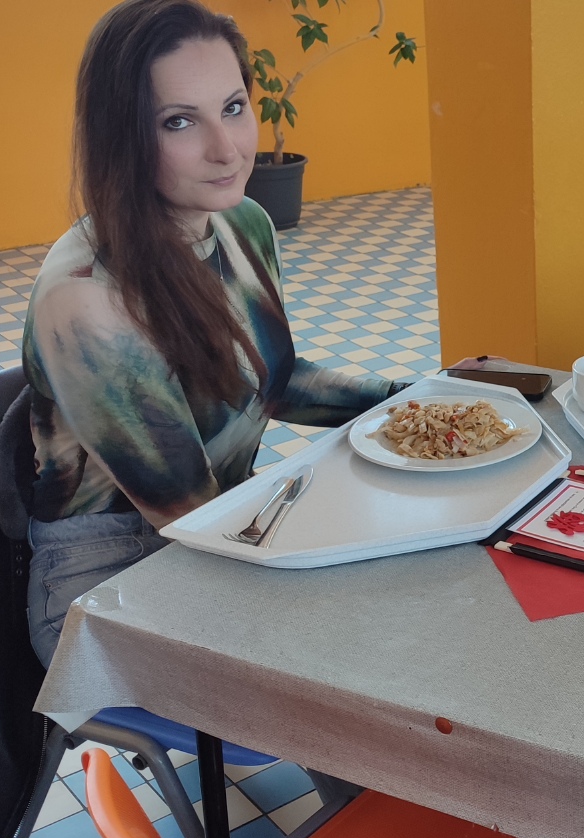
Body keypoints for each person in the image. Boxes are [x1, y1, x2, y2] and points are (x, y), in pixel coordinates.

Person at [21, 0, 405, 664]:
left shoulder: (242, 222)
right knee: (373, 644)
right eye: (179, 121)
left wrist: (417, 401)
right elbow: (190, 518)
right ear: (122, 137)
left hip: (224, 525)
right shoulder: (89, 301)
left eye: (233, 107)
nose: (226, 149)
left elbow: (275, 380)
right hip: (108, 578)